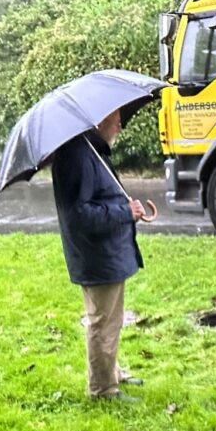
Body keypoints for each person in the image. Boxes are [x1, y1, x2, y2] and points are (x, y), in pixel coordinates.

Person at [51, 109, 147, 403]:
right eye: (115, 118)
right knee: (102, 322)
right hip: (97, 256)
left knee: (112, 320)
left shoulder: (92, 150)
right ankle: (103, 390)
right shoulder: (77, 156)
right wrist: (124, 212)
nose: (121, 124)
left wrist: (128, 212)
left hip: (107, 253)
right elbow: (78, 215)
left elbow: (102, 198)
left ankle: (111, 372)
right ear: (97, 121)